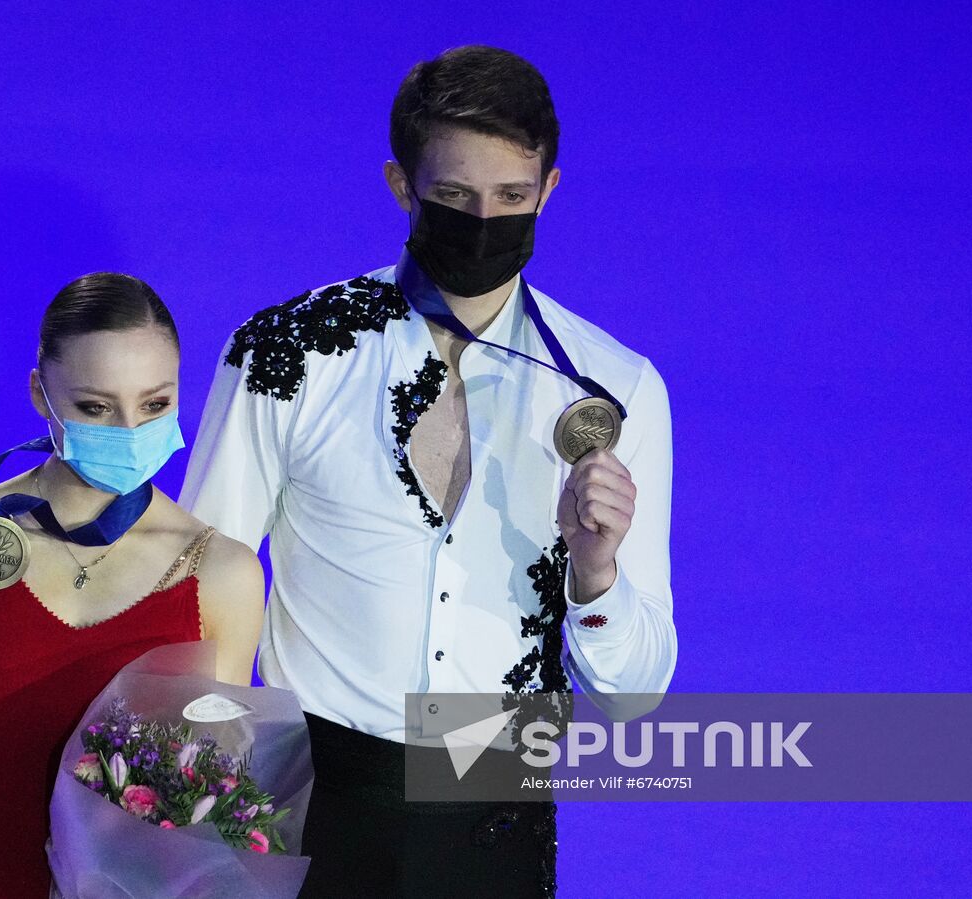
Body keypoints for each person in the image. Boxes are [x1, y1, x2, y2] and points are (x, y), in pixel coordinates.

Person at [180, 45, 678, 897]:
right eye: (452, 196)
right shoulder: (286, 354)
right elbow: (198, 592)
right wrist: (192, 806)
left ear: (549, 189)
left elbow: (633, 696)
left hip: (495, 805)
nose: (483, 220)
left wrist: (595, 577)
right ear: (400, 185)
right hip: (309, 804)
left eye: (512, 198)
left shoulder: (618, 388)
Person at [0, 273, 265, 898]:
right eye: (95, 407)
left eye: (155, 404)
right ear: (40, 393)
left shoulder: (220, 572)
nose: (129, 431)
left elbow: (202, 810)